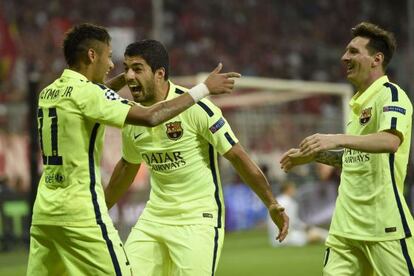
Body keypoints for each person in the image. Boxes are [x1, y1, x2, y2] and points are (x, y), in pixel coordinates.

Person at [27, 23, 240, 276]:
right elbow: (151, 117)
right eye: (108, 57)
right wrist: (203, 89)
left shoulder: (49, 93)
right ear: (92, 56)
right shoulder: (89, 95)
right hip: (81, 211)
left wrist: (130, 78)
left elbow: (95, 95)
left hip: (44, 213)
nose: (110, 66)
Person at [104, 39, 289, 276]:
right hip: (154, 217)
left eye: (137, 69)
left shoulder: (199, 108)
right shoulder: (134, 117)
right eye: (126, 68)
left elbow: (237, 156)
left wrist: (271, 203)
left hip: (197, 219)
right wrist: (98, 211)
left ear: (159, 73)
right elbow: (128, 166)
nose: (129, 76)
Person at [280, 22, 414, 275]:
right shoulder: (357, 106)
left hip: (383, 226)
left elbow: (390, 141)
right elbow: (355, 157)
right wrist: (313, 156)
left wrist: (336, 138)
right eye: (345, 52)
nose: (344, 57)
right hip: (344, 228)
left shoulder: (391, 95)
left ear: (376, 59)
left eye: (353, 51)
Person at [267, 181, 328, 247]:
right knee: (316, 233)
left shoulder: (276, 201)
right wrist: (305, 226)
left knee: (313, 233)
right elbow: (292, 222)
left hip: (274, 240)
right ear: (288, 189)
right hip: (288, 238)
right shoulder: (290, 202)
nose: (294, 190)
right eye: (293, 188)